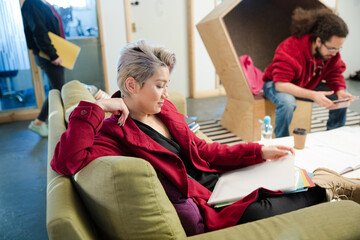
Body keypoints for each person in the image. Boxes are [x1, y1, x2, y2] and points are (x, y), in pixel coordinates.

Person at [51, 40, 360, 236]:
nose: (166, 94)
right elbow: (66, 161)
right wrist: (97, 106)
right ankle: (330, 188)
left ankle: (325, 182)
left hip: (216, 181)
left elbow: (203, 150)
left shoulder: (166, 110)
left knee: (279, 178)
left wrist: (257, 151)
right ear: (131, 85)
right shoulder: (112, 131)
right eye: (159, 85)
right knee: (261, 206)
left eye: (166, 84)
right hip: (206, 200)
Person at [263, 7, 356, 138]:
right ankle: (282, 140)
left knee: (340, 99)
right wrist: (313, 95)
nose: (335, 53)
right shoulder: (290, 48)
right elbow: (281, 85)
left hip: (306, 84)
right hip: (276, 84)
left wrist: (340, 91)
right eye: (332, 48)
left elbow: (335, 74)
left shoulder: (331, 54)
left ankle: (335, 135)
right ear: (318, 41)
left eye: (338, 48)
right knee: (288, 103)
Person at [22, 0, 66, 137]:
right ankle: (39, 122)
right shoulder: (32, 4)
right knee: (59, 89)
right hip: (47, 54)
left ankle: (39, 122)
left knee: (56, 89)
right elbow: (39, 32)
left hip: (53, 52)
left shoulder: (42, 2)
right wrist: (53, 55)